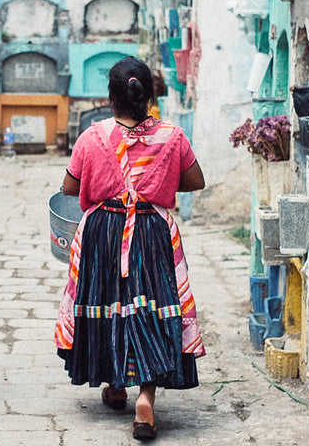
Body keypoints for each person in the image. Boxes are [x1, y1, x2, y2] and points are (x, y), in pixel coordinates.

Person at [54, 56, 206, 441]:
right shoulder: (173, 137)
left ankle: (116, 384)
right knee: (148, 306)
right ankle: (145, 400)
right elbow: (195, 181)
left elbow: (70, 189)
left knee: (107, 302)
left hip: (102, 231)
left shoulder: (93, 136)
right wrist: (156, 183)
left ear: (111, 96)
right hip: (152, 230)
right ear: (149, 96)